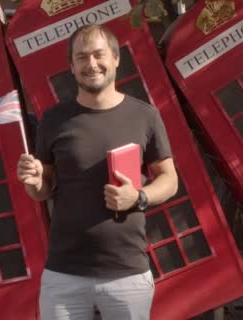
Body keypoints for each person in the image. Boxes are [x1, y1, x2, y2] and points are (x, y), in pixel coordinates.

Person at [16, 24, 178, 320]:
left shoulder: (145, 116)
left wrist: (138, 197)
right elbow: (44, 188)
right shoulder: (54, 119)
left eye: (98, 55)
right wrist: (34, 181)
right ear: (72, 66)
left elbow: (169, 180)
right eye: (82, 57)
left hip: (127, 272)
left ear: (116, 59)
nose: (91, 64)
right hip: (64, 274)